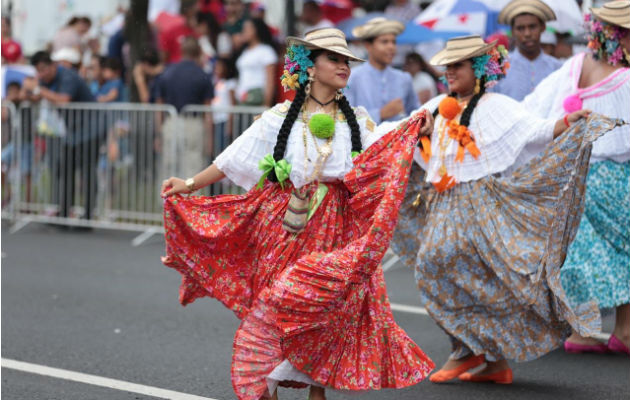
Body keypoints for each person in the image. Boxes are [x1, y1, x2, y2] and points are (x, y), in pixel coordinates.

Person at [160, 27, 435, 400]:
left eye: (346, 61)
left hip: (334, 227)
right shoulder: (279, 117)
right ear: (310, 66)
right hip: (284, 225)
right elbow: (233, 157)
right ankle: (266, 384)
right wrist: (189, 183)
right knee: (279, 302)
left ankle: (315, 390)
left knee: (323, 309)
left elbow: (384, 143)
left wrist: (415, 126)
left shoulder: (356, 119)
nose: (343, 67)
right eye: (333, 59)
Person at [390, 35, 620, 384]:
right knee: (457, 272)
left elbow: (534, 130)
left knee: (435, 265)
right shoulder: (438, 104)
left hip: (480, 202)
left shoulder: (496, 105)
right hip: (443, 202)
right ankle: (494, 362)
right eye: (448, 66)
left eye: (458, 65)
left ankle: (465, 351)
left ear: (478, 69)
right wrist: (415, 132)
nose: (450, 72)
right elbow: (405, 132)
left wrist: (567, 123)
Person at [522, 0, 630, 356]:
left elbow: (532, 111)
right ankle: (615, 332)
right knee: (617, 251)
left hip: (574, 175)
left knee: (587, 252)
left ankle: (588, 331)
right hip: (612, 176)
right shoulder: (625, 75)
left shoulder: (573, 66)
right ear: (613, 33)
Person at [21, 51, 97, 222]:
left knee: (87, 172)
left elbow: (63, 100)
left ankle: (88, 217)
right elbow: (36, 96)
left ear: (53, 65)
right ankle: (63, 214)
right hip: (71, 131)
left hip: (91, 129)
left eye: (43, 70)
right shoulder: (44, 80)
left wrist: (38, 89)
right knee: (66, 170)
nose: (41, 75)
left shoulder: (68, 76)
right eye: (37, 71)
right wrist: (27, 90)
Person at [156, 37, 214, 180]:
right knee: (193, 167)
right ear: (199, 52)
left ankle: (168, 200)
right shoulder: (203, 75)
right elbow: (207, 111)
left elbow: (159, 106)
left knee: (169, 166)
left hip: (171, 122)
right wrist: (209, 138)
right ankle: (190, 201)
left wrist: (157, 134)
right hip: (193, 124)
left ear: (182, 51)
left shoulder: (167, 73)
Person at [345, 18, 420, 124]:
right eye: (384, 42)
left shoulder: (404, 78)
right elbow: (344, 118)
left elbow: (415, 114)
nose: (391, 47)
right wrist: (380, 114)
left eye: (393, 42)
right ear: (368, 46)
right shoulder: (352, 78)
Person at [493, 0, 562, 100]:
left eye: (532, 27)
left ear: (543, 27)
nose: (527, 34)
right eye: (520, 28)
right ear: (512, 31)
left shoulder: (557, 68)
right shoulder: (498, 68)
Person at [235, 18, 277, 106]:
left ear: (256, 30)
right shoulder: (245, 51)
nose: (243, 32)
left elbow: (270, 80)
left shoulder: (266, 50)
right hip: (242, 97)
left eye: (246, 29)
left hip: (256, 97)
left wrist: (266, 104)